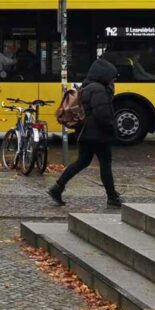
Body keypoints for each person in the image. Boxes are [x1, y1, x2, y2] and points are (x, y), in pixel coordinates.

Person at [48, 59, 123, 208]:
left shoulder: (86, 87)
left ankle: (57, 187)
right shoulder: (99, 90)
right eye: (112, 77)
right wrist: (112, 128)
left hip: (85, 134)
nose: (113, 81)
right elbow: (102, 113)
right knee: (105, 165)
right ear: (104, 75)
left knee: (81, 162)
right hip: (98, 135)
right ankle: (112, 197)